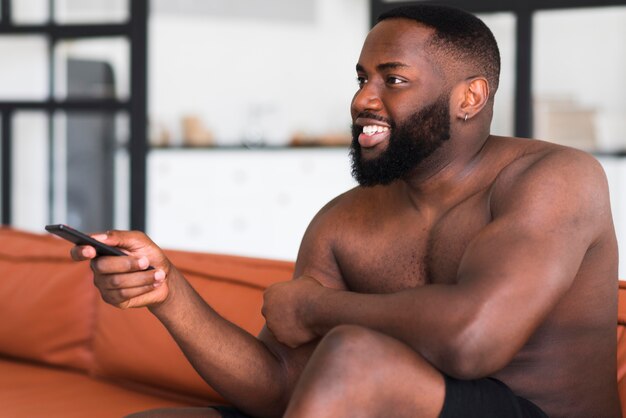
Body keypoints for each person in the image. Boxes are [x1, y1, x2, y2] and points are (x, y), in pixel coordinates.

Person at [71, 5, 620, 418]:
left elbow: (472, 341)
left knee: (353, 353)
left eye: (394, 79)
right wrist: (169, 292)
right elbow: (281, 384)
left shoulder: (553, 179)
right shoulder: (345, 220)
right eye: (362, 78)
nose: (363, 100)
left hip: (536, 412)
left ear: (469, 98)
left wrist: (318, 308)